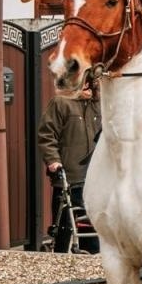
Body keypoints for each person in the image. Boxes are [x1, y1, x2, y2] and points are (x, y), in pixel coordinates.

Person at [38, 81, 103, 253]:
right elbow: (47, 135)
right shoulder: (61, 103)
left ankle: (91, 256)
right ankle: (60, 256)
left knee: (91, 222)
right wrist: (53, 160)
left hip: (95, 176)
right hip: (69, 175)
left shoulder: (99, 105)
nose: (89, 87)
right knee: (65, 225)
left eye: (93, 83)